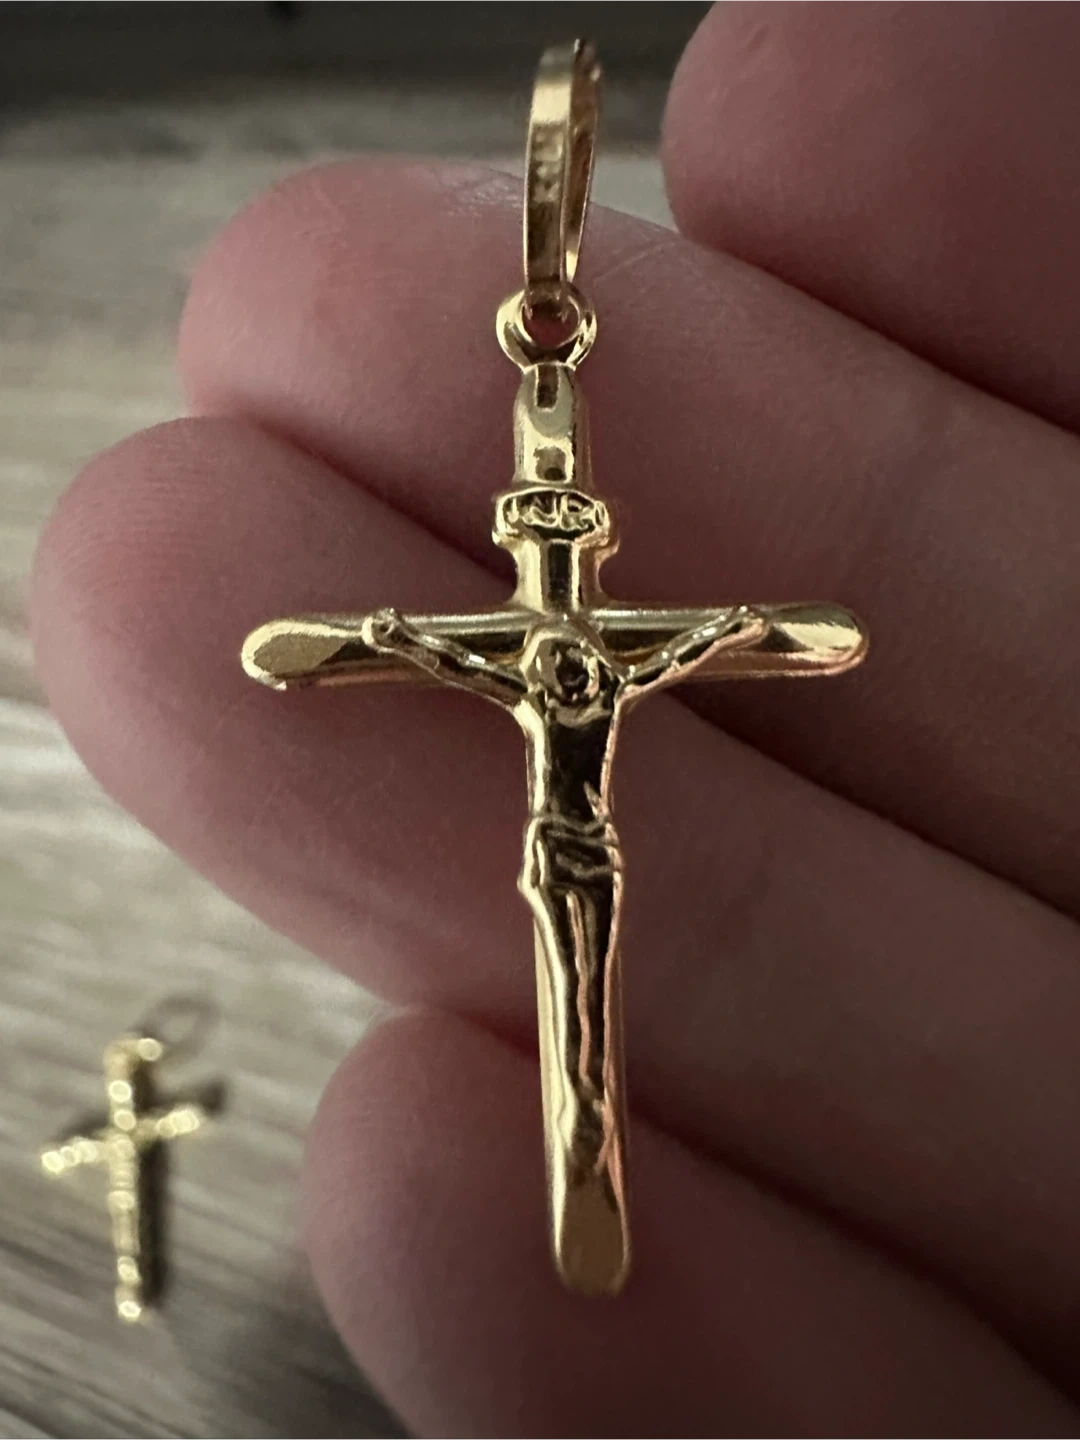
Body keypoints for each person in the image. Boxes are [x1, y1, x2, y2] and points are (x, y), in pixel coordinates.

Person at [30, 0, 1080, 1433]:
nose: (557, 544)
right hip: (553, 851)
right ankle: (584, 1165)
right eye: (544, 531)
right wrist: (366, 639)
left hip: (592, 857)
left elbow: (772, 635)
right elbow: (355, 647)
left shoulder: (606, 639)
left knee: (583, 1029)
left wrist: (751, 631)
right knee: (563, 1037)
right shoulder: (521, 645)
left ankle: (589, 1170)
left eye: (567, 532)